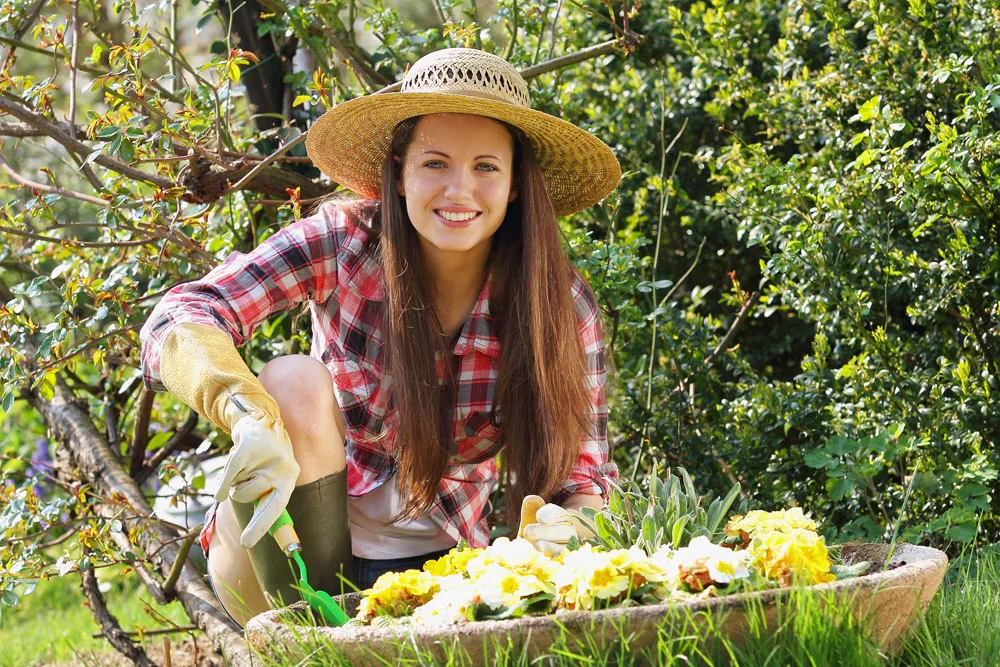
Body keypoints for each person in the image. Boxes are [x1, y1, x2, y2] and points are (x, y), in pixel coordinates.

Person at [139, 47, 621, 627]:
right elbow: (183, 312)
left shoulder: (559, 304)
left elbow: (585, 472)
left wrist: (571, 524)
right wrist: (241, 411)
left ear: (517, 182)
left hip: (443, 567)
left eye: (486, 167)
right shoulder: (345, 245)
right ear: (399, 170)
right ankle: (301, 636)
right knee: (289, 380)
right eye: (435, 163)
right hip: (287, 552)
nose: (459, 191)